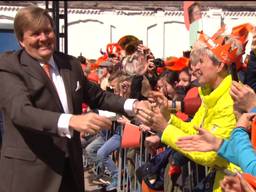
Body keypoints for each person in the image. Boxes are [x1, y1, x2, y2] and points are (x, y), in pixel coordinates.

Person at [0, 6, 147, 192]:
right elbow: (21, 112)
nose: (44, 38)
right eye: (35, 34)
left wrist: (134, 105)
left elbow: (98, 96)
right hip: (31, 176)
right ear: (21, 40)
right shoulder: (9, 66)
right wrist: (72, 120)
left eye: (47, 31)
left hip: (70, 171)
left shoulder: (70, 64)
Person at [136, 26, 246, 191]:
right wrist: (167, 119)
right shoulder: (211, 95)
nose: (194, 68)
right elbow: (195, 131)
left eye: (201, 62)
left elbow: (209, 153)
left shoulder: (231, 99)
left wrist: (165, 129)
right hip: (220, 180)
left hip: (233, 184)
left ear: (220, 66)